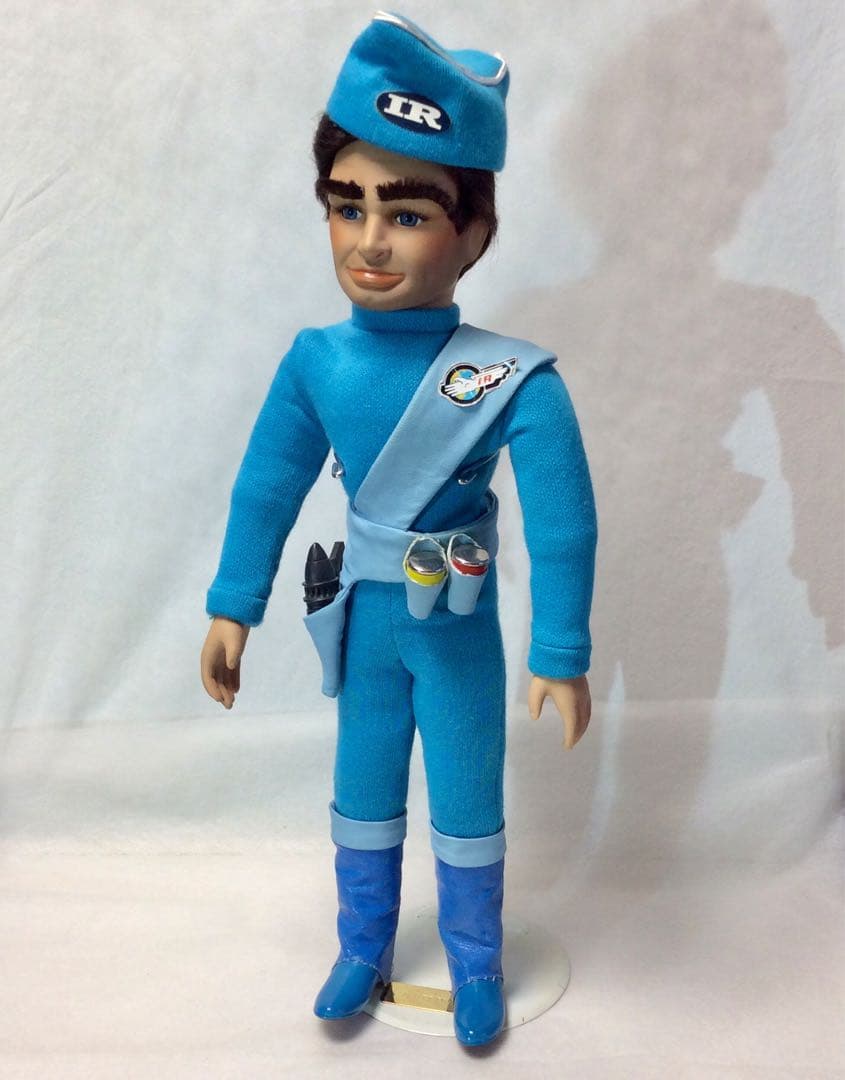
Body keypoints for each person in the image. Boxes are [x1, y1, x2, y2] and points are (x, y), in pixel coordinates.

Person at [200, 11, 597, 1048]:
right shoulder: (314, 362)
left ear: (473, 234)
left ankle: (475, 961)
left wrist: (560, 651)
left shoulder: (514, 380)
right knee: (362, 788)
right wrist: (233, 605)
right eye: (347, 205)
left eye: (407, 212)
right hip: (365, 624)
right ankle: (360, 948)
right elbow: (266, 487)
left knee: (466, 797)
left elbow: (563, 524)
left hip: (454, 626)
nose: (369, 239)